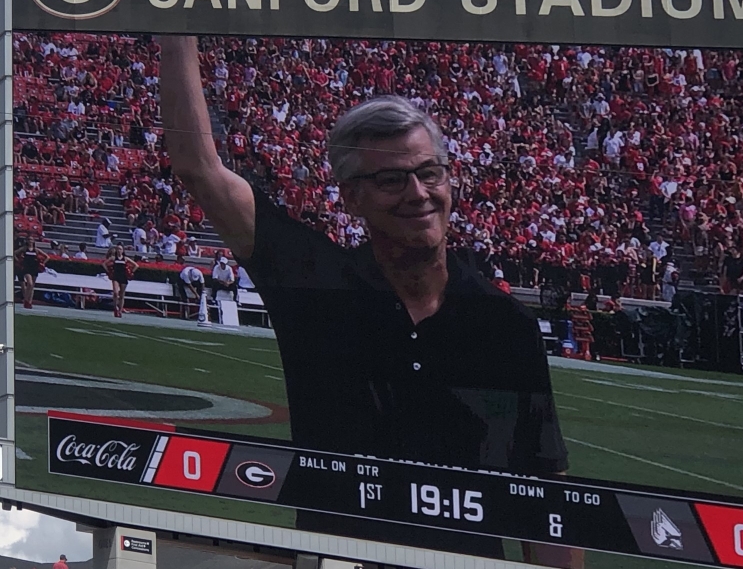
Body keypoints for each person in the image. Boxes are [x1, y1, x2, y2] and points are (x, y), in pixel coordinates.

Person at [160, 36, 574, 568]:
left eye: (429, 173)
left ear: (451, 182)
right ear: (351, 196)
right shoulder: (317, 286)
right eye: (390, 180)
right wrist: (175, 24)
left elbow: (543, 493)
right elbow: (199, 166)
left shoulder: (505, 324)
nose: (418, 193)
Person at [103, 244, 138, 318]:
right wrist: (109, 271)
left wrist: (131, 272)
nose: (119, 250)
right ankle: (115, 307)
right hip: (115, 276)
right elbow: (104, 264)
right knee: (115, 293)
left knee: (122, 295)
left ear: (123, 250)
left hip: (123, 277)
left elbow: (136, 265)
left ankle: (120, 310)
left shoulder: (125, 259)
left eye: (120, 249)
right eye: (118, 249)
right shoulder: (113, 258)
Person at [15, 236, 46, 309]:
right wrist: (19, 261)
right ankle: (26, 300)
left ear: (33, 241)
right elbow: (14, 253)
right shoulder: (24, 249)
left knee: (32, 286)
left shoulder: (36, 250)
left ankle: (29, 301)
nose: (30, 241)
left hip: (34, 268)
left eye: (31, 239)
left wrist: (42, 263)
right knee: (29, 283)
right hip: (26, 268)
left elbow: (47, 256)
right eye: (29, 239)